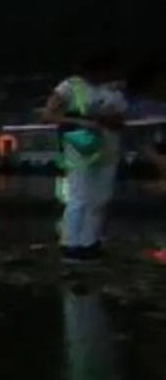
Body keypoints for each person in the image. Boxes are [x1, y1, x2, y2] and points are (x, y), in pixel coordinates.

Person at [44, 52, 131, 259]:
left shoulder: (112, 92)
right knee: (79, 195)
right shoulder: (70, 87)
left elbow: (120, 122)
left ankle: (89, 242)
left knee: (100, 196)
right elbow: (48, 115)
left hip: (107, 146)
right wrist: (82, 121)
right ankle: (70, 243)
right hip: (79, 144)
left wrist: (106, 118)